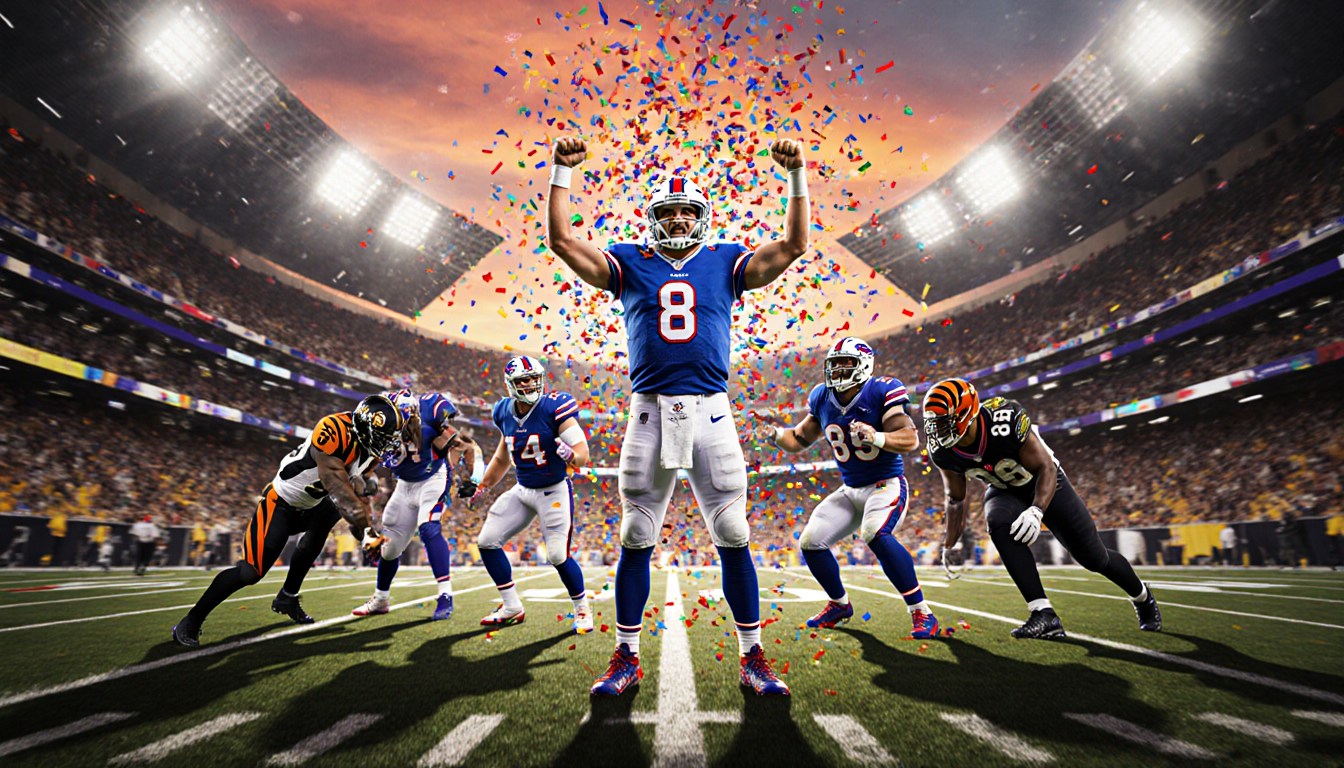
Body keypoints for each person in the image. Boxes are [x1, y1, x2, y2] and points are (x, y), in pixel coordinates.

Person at [546, 135, 810, 696]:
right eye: (668, 212)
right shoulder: (629, 260)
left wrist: (795, 176)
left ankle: (752, 657)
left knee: (734, 532)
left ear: (703, 217)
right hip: (648, 410)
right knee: (636, 533)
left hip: (712, 409)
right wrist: (561, 173)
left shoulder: (724, 260)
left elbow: (791, 246)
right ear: (652, 219)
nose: (679, 219)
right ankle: (625, 658)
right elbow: (564, 241)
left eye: (689, 210)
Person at [926, 378, 1161, 639]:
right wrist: (949, 544)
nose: (935, 430)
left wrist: (1037, 510)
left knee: (1094, 558)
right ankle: (1044, 614)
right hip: (1004, 489)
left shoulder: (1004, 419)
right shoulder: (943, 451)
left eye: (942, 422)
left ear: (965, 413)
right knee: (998, 522)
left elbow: (1045, 467)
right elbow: (956, 498)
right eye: (932, 423)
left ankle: (1143, 597)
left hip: (1044, 481)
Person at [171, 395, 402, 647]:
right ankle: (190, 620)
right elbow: (339, 489)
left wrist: (365, 510)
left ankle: (287, 596)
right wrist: (367, 532)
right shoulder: (333, 430)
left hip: (312, 505)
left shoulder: (369, 450)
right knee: (250, 572)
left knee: (331, 512)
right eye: (384, 437)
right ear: (366, 427)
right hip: (281, 504)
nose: (387, 445)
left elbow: (357, 491)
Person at [755, 337, 938, 638]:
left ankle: (921, 612)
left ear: (864, 365)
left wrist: (877, 436)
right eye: (834, 364)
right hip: (851, 489)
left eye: (846, 364)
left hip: (885, 484)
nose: (838, 370)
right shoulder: (822, 397)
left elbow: (909, 438)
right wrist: (774, 432)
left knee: (875, 533)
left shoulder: (881, 390)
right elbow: (798, 441)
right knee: (811, 542)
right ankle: (840, 604)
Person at [469, 356, 593, 633]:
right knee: (487, 541)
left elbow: (583, 455)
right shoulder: (503, 411)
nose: (528, 384)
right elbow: (502, 458)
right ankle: (511, 606)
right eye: (521, 380)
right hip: (523, 489)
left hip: (554, 489)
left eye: (532, 378)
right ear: (510, 385)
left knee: (558, 555)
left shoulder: (554, 407)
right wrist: (483, 485)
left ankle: (582, 608)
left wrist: (571, 454)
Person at [352, 390, 480, 621]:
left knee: (429, 528)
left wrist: (471, 479)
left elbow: (467, 448)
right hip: (404, 486)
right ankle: (381, 599)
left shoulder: (430, 427)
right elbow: (371, 462)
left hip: (432, 479)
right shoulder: (380, 432)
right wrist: (368, 480)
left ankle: (445, 595)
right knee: (389, 549)